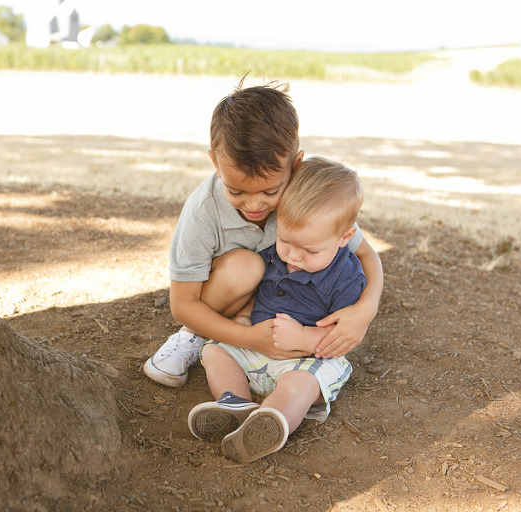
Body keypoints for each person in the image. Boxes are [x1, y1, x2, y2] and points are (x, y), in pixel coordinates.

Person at [143, 77, 383, 388]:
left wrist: (365, 310)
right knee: (247, 266)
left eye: (270, 192)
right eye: (236, 191)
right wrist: (249, 338)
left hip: (279, 309)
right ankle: (196, 336)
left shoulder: (305, 200)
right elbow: (183, 304)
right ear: (215, 162)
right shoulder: (203, 211)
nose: (254, 204)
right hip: (226, 305)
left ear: (295, 165)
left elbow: (366, 254)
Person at [188, 157, 367, 463]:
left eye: (310, 251)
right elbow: (260, 291)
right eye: (285, 241)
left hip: (306, 359)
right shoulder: (274, 255)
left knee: (299, 385)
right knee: (214, 351)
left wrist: (303, 338)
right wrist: (244, 318)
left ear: (344, 238)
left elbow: (343, 334)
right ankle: (235, 403)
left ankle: (273, 417)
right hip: (257, 347)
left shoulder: (346, 277)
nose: (294, 257)